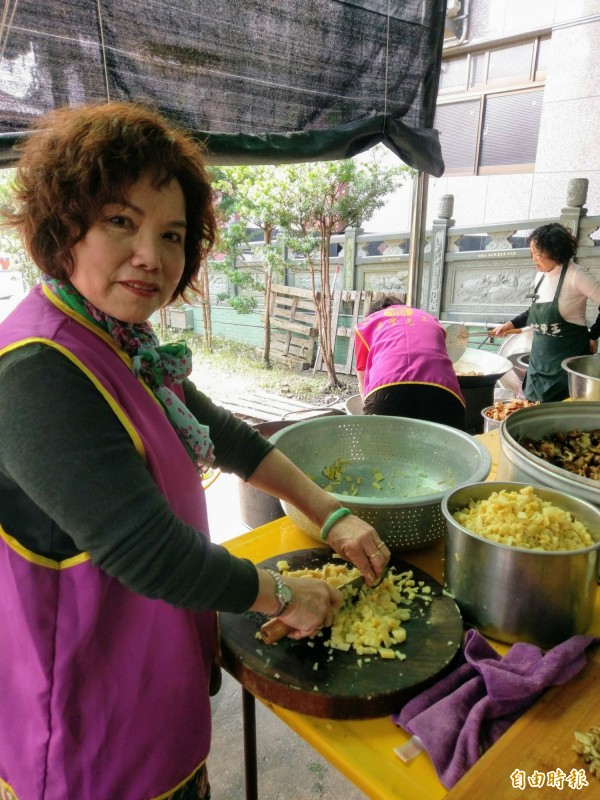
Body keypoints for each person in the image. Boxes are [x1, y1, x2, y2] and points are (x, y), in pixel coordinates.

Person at [0, 102, 390, 800]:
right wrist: (283, 592)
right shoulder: (36, 370)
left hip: (154, 685)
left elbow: (225, 435)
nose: (152, 255)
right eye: (121, 221)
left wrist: (331, 514)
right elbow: (147, 552)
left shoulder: (122, 343)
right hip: (93, 732)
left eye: (172, 234)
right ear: (65, 227)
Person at [489, 223, 600, 402]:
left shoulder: (576, 275)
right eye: (532, 253)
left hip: (567, 364)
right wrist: (510, 324)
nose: (534, 259)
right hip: (539, 361)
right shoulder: (540, 275)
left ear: (556, 252)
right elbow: (534, 310)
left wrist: (594, 335)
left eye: (539, 254)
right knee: (529, 408)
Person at [353, 295, 466, 430]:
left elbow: (362, 381)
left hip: (386, 392)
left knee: (380, 449)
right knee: (450, 448)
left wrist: (369, 409)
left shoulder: (367, 324)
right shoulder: (431, 320)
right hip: (445, 394)